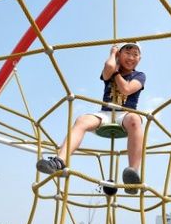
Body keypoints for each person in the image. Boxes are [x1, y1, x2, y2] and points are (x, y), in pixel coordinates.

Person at [37, 43, 146, 192]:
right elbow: (108, 69)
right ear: (119, 55)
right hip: (105, 113)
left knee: (135, 119)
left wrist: (116, 73)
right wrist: (113, 54)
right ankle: (59, 161)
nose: (131, 57)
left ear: (140, 59)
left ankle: (132, 172)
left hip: (126, 114)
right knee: (81, 120)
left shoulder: (139, 75)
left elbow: (126, 90)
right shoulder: (111, 67)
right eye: (127, 53)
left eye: (135, 54)